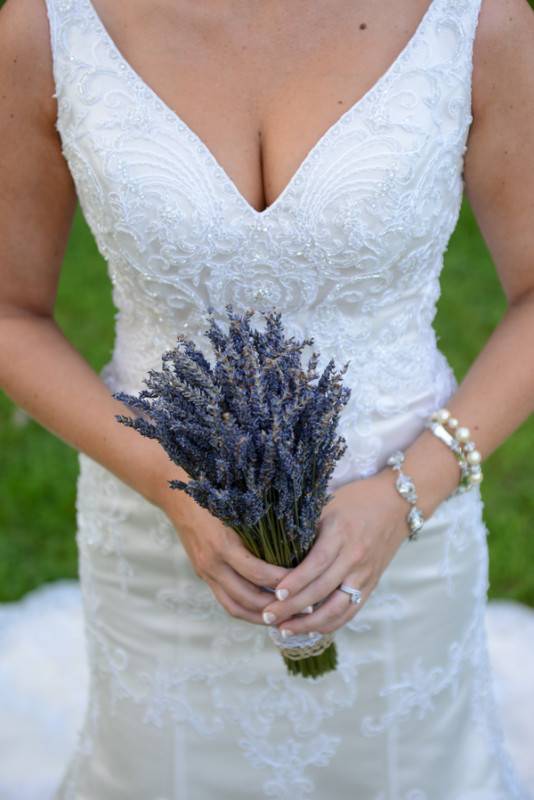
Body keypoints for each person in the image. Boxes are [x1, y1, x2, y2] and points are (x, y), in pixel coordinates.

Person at [1, 0, 533, 797]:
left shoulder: (478, 21)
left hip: (406, 543)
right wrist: (168, 492)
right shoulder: (48, 26)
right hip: (153, 549)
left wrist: (405, 495)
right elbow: (10, 312)